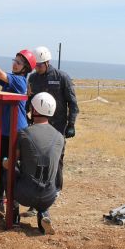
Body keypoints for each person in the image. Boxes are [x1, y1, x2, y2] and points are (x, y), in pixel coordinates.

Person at [0, 49, 36, 218]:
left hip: (16, 132)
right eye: (15, 60)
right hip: (4, 130)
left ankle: (13, 208)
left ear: (25, 68)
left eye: (19, 62)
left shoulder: (19, 81)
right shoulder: (12, 78)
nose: (15, 64)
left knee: (12, 169)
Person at [24, 46, 79, 217]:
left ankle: (55, 189)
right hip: (38, 126)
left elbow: (73, 103)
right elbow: (28, 100)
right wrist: (25, 116)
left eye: (40, 65)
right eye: (35, 65)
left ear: (47, 63)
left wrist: (71, 124)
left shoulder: (62, 77)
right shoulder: (33, 78)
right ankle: (37, 194)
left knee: (56, 159)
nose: (37, 68)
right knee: (36, 159)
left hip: (57, 126)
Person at [3, 92, 65, 234]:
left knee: (8, 171)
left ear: (35, 110)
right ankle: (43, 214)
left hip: (25, 194)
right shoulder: (60, 137)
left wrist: (4, 162)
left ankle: (13, 216)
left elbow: (11, 164)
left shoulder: (24, 133)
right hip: (50, 195)